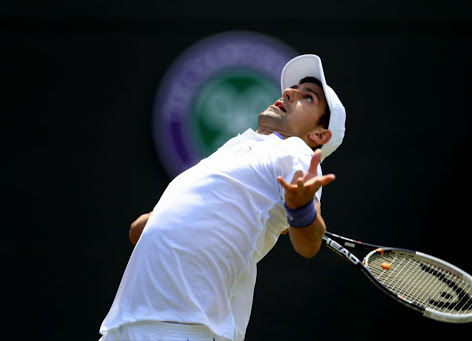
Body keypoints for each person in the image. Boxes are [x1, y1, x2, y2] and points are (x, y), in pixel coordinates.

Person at [99, 54, 346, 341]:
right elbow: (138, 231)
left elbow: (309, 244)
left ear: (319, 134)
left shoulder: (295, 151)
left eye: (308, 97)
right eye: (293, 89)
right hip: (127, 324)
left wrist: (301, 208)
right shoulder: (234, 149)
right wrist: (162, 222)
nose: (289, 92)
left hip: (188, 328)